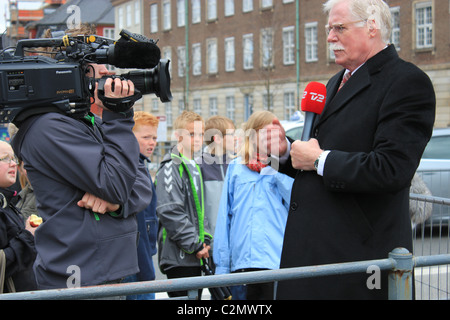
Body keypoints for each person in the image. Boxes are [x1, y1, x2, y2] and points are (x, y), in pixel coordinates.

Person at [275, 0, 436, 299]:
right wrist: (285, 152)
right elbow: (317, 155)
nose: (329, 38)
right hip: (318, 257)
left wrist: (319, 159)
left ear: (372, 27)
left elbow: (391, 169)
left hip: (358, 266)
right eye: (328, 29)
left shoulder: (407, 82)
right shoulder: (337, 81)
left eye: (339, 28)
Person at [10, 27, 154, 290]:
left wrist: (117, 204)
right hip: (80, 278)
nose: (109, 81)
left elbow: (141, 180)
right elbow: (115, 183)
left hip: (107, 271)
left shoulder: (92, 122)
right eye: (100, 73)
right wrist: (120, 116)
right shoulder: (49, 128)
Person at [213, 111, 294, 300]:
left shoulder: (286, 167)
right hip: (242, 265)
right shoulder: (236, 168)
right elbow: (225, 218)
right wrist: (222, 268)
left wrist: (274, 173)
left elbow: (297, 204)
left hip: (275, 264)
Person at [155, 111, 211, 298]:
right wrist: (195, 244)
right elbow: (170, 210)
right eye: (192, 134)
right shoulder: (171, 166)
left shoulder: (195, 165)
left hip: (196, 254)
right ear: (178, 136)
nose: (198, 139)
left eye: (201, 134)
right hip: (179, 257)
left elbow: (202, 211)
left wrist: (206, 240)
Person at [123, 111, 159, 300]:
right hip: (136, 261)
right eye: (146, 137)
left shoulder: (141, 166)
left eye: (154, 137)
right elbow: (139, 224)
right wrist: (147, 272)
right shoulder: (131, 169)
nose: (152, 142)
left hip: (142, 256)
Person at [0, 141, 37, 293]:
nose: (14, 164)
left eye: (13, 158)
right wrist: (28, 236)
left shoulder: (6, 201)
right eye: (5, 158)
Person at [198, 115, 236, 240]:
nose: (235, 138)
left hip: (235, 241)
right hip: (210, 243)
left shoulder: (237, 165)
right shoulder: (199, 166)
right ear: (218, 139)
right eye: (232, 134)